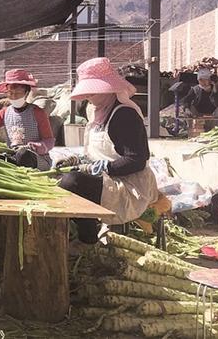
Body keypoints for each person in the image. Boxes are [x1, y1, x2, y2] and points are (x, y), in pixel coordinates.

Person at [58, 57, 159, 244]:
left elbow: (137, 160)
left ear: (108, 88)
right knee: (59, 179)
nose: (88, 97)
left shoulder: (124, 115)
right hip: (106, 178)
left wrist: (104, 167)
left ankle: (88, 240)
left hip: (129, 184)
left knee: (71, 183)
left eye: (92, 92)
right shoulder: (97, 111)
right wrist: (77, 161)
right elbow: (96, 152)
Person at [0, 69, 54, 169]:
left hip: (36, 158)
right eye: (10, 93)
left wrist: (32, 147)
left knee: (23, 155)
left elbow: (49, 141)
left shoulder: (37, 112)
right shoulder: (5, 112)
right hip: (13, 156)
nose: (14, 97)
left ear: (26, 93)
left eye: (18, 93)